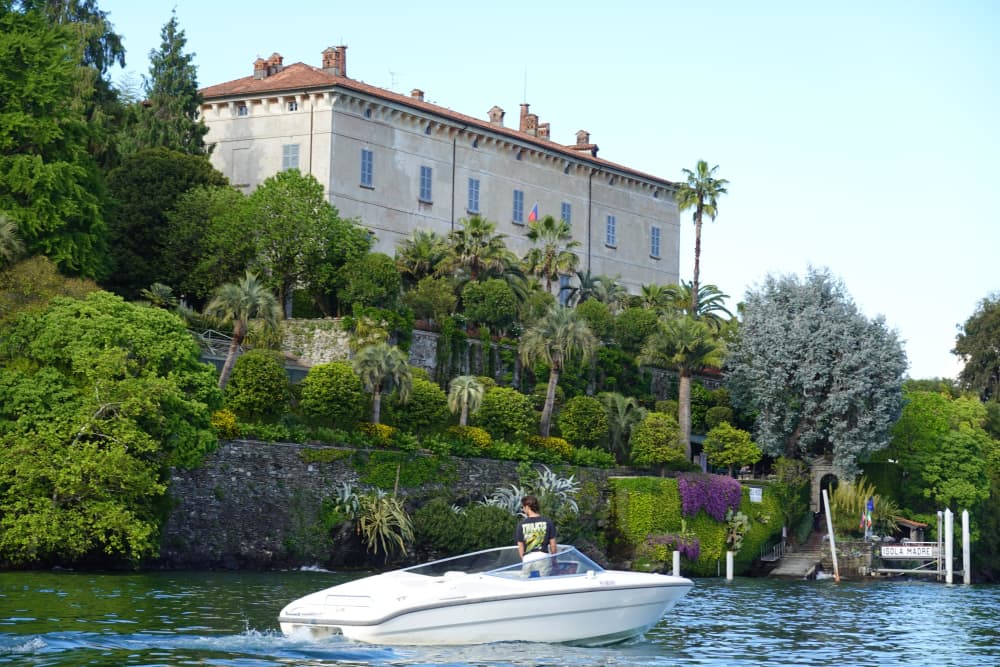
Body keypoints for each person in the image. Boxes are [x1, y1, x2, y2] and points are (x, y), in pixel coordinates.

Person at [515, 495, 557, 577]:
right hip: (543, 557)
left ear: (527, 507)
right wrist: (554, 560)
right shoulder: (548, 521)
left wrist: (524, 560)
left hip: (528, 558)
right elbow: (553, 544)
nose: (523, 509)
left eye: (523, 507)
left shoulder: (521, 524)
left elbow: (520, 546)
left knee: (526, 582)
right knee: (543, 583)